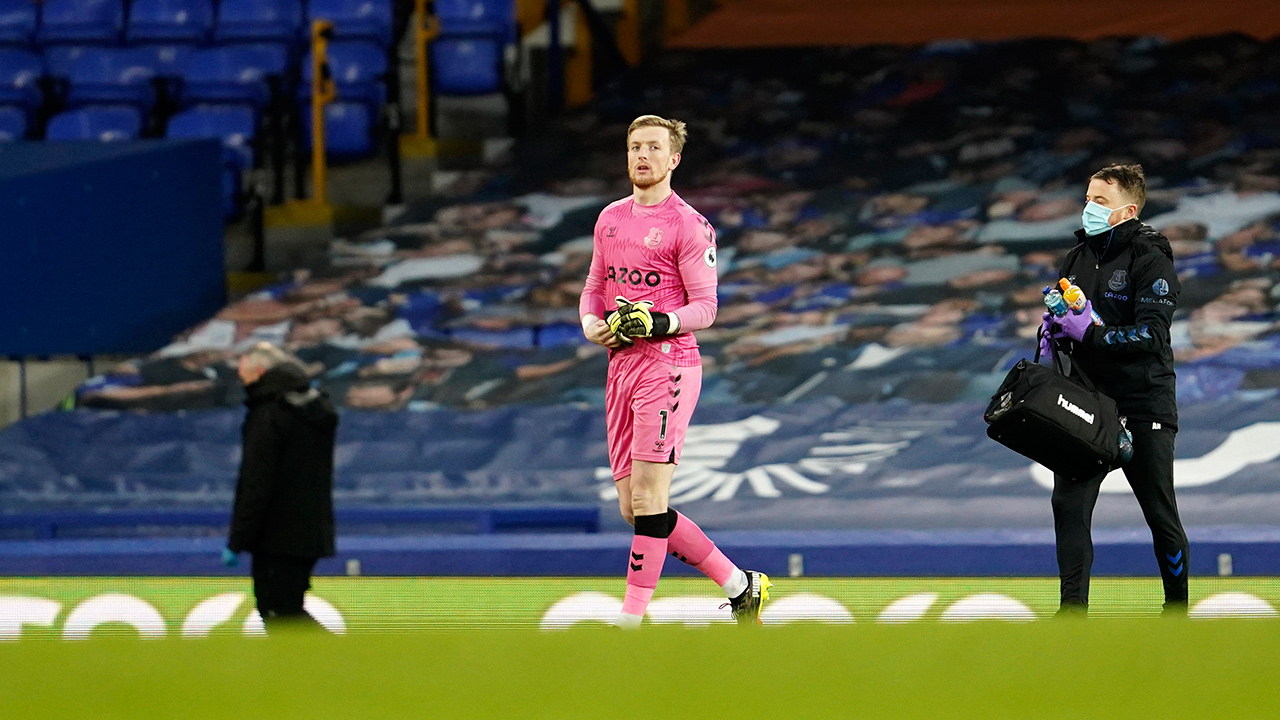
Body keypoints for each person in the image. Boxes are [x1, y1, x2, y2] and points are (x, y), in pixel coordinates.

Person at [578, 114, 771, 628]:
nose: (642, 155)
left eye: (653, 148)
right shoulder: (610, 218)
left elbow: (706, 308)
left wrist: (657, 319)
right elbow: (595, 283)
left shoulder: (689, 224)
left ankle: (630, 623)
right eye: (634, 146)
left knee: (648, 498)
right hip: (620, 365)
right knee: (635, 509)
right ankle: (740, 585)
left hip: (667, 366)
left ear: (673, 159)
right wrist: (591, 323)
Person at [1044, 164, 1189, 615]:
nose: (1088, 207)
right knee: (1068, 505)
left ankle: (1178, 613)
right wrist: (1057, 329)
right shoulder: (1077, 255)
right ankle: (1072, 615)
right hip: (1087, 400)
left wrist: (1090, 333)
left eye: (1100, 201)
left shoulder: (1151, 257)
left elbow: (1152, 336)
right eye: (1087, 198)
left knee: (1159, 512)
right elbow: (1074, 322)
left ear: (1127, 210)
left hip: (1143, 401)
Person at [223, 343, 339, 630]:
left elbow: (256, 480)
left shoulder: (268, 414)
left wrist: (238, 539)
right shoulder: (314, 408)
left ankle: (344, 664)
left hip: (276, 534)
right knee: (286, 607)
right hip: (310, 529)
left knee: (278, 610)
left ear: (259, 373)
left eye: (245, 377)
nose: (243, 384)